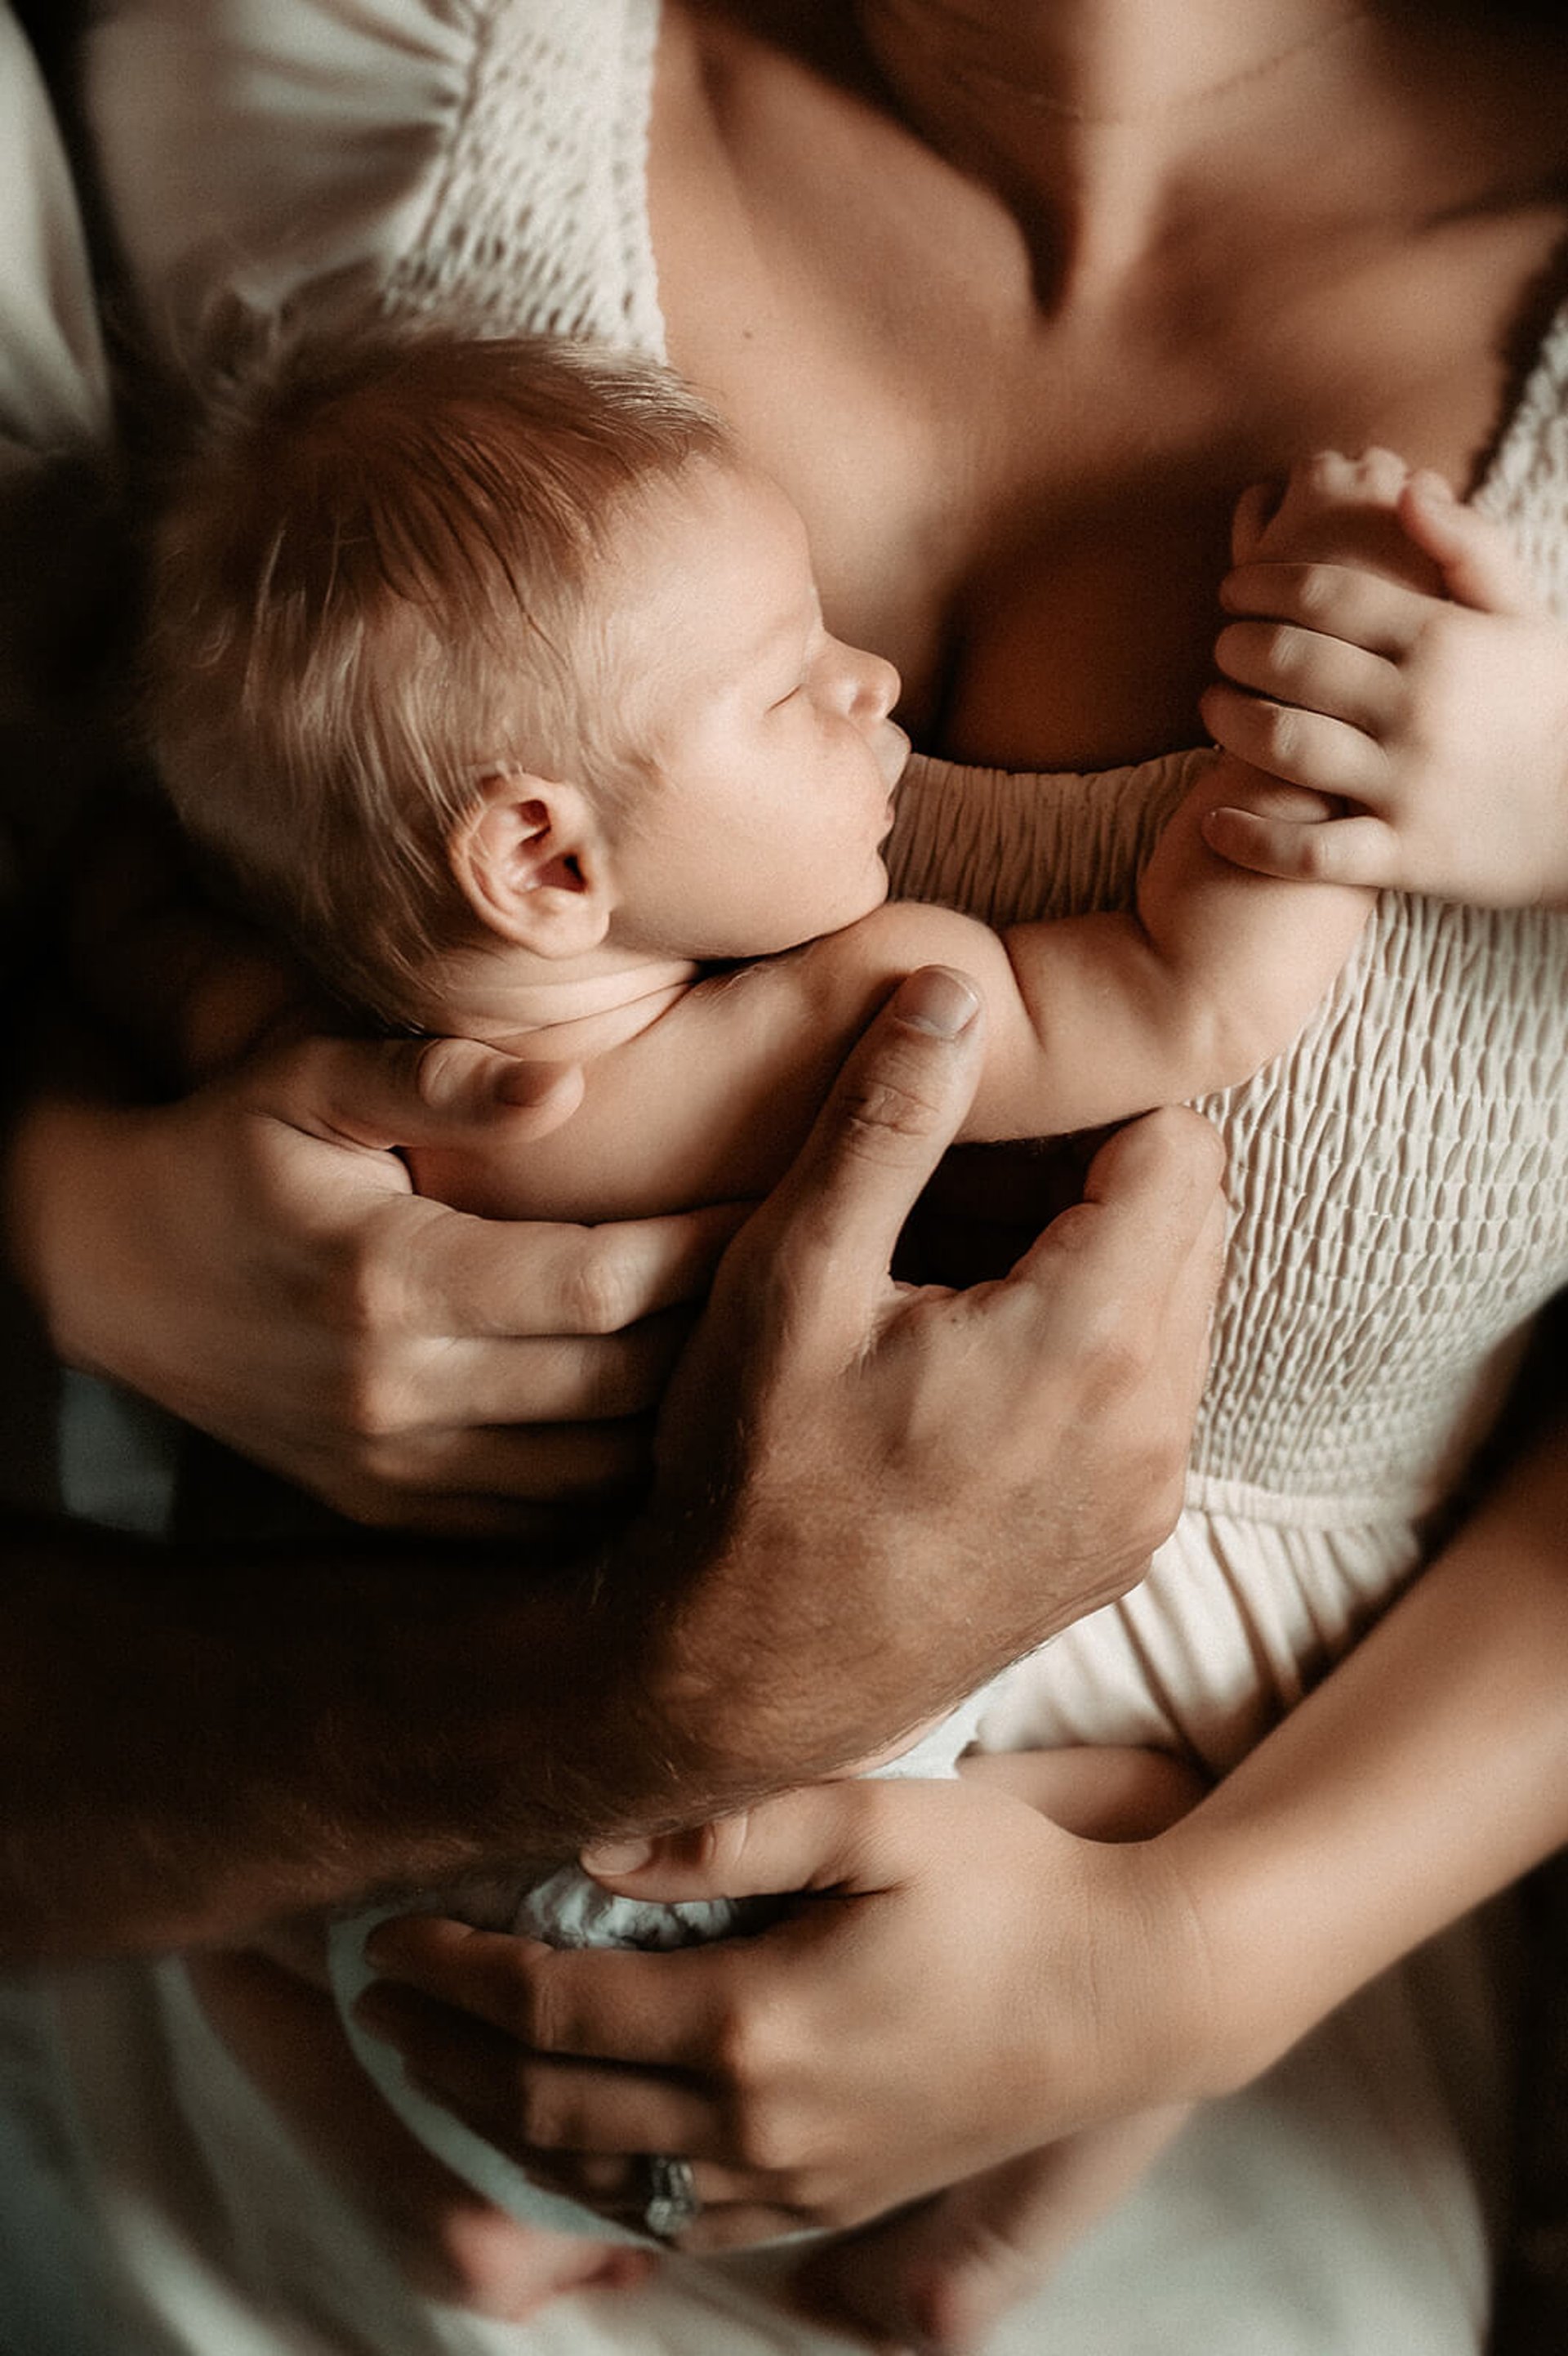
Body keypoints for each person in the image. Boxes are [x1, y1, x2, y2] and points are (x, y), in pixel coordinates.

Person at [20, 0, 1568, 2349]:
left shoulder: (453, 1062)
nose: (879, 700)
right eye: (789, 686)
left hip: (1215, 2108)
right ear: (539, 857)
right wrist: (73, 1228)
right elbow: (1178, 997)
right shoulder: (348, 77)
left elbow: (140, 913)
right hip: (285, 1978)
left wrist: (1209, 1953)